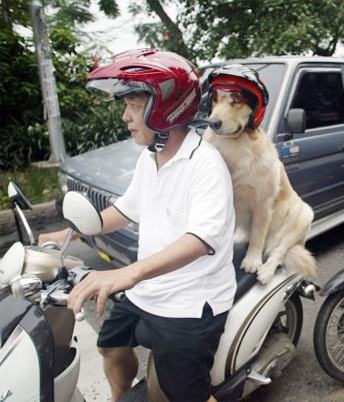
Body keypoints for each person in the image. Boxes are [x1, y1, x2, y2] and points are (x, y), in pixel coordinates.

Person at [38, 49, 236, 402]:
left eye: (132, 105)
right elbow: (126, 210)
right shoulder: (151, 158)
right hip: (148, 289)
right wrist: (71, 232)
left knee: (186, 394)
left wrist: (124, 274)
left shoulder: (206, 164)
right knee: (109, 346)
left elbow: (200, 239)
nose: (125, 116)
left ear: (164, 108)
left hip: (188, 301)